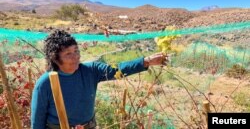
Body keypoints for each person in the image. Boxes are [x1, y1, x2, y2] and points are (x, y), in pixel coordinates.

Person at [31, 30, 169, 129]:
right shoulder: (45, 84)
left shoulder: (91, 71)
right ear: (55, 58)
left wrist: (146, 61)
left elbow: (117, 70)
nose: (76, 57)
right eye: (68, 54)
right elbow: (37, 123)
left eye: (76, 51)